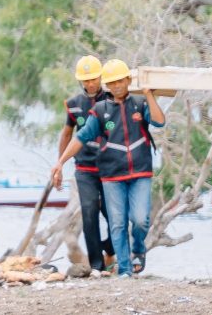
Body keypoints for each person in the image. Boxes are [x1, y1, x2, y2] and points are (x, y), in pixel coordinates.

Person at [53, 59, 165, 277]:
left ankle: (136, 250)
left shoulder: (138, 104)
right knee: (109, 220)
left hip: (137, 171)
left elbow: (159, 121)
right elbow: (78, 136)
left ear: (127, 81)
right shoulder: (95, 108)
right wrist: (60, 162)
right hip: (106, 173)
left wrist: (149, 94)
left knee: (140, 219)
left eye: (119, 81)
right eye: (111, 82)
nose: (116, 86)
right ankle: (118, 268)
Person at [51, 55, 115, 277]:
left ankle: (111, 248)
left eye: (94, 79)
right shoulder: (74, 105)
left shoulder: (113, 99)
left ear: (101, 77)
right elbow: (67, 133)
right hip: (85, 168)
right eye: (86, 80)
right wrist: (59, 165)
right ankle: (97, 265)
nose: (90, 83)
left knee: (113, 214)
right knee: (89, 213)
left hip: (110, 167)